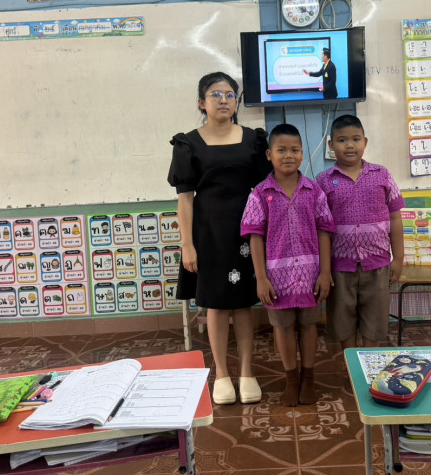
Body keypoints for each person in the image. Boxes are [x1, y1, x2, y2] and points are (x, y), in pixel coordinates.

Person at [167, 72, 272, 405]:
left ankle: (247, 372)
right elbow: (185, 198)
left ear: (236, 102)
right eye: (215, 94)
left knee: (242, 304)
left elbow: (266, 189)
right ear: (202, 102)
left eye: (229, 94)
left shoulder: (254, 140)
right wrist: (187, 244)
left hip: (247, 229)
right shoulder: (187, 144)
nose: (223, 100)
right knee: (214, 304)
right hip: (208, 232)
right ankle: (222, 375)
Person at [241, 123, 335, 406]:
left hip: (310, 276)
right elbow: (255, 237)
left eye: (294, 150)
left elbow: (324, 231)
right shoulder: (260, 194)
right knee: (282, 327)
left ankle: (309, 378)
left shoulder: (314, 191)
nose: (288, 155)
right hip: (276, 279)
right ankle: (291, 379)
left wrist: (325, 272)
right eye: (281, 150)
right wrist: (261, 278)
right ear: (269, 155)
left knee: (308, 325)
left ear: (302, 154)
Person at [315, 115, 405, 353]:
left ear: (365, 142)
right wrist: (324, 268)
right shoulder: (323, 181)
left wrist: (399, 258)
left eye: (356, 139)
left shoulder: (382, 175)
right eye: (342, 140)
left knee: (374, 320)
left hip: (377, 264)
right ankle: (351, 361)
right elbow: (321, 228)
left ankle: (370, 361)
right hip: (340, 266)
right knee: (342, 319)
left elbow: (396, 218)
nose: (350, 145)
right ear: (331, 145)